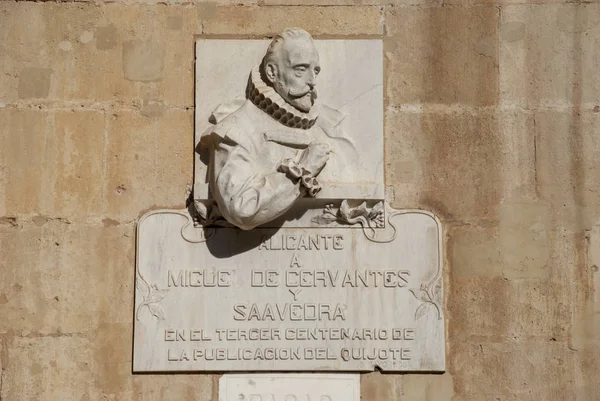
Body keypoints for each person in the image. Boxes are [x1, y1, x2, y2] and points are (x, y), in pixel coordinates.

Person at [199, 28, 356, 230]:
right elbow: (240, 208)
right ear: (272, 72)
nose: (312, 82)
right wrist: (302, 171)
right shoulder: (237, 129)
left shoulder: (330, 125)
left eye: (315, 71)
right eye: (300, 69)